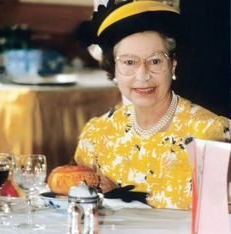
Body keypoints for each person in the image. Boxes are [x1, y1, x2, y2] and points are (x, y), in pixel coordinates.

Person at [74, 0, 230, 210]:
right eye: (129, 62)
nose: (143, 75)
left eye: (155, 61)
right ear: (114, 69)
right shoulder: (97, 135)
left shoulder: (212, 133)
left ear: (173, 65)